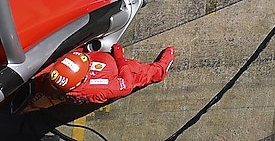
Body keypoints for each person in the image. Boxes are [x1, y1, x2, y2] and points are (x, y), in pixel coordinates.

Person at [21, 45, 175, 111]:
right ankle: (160, 71)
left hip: (95, 67)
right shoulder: (100, 88)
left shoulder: (52, 77)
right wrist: (120, 57)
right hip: (114, 71)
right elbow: (125, 85)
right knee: (137, 73)